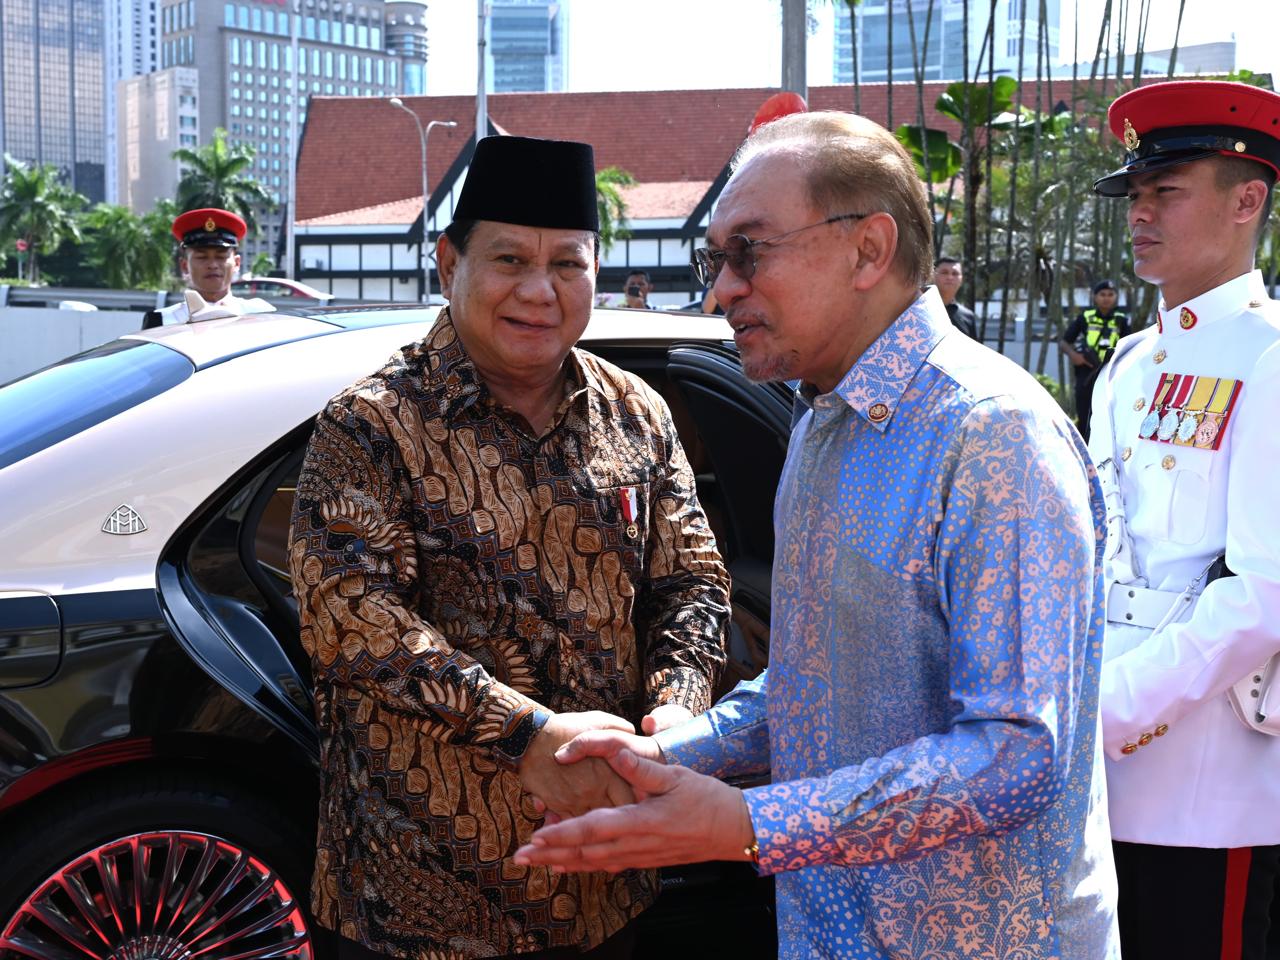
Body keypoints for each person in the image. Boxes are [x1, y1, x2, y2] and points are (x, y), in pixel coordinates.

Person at [515, 111, 1119, 959]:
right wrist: (663, 752)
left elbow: (1015, 755)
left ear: (869, 250)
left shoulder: (991, 433)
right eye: (715, 259)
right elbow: (810, 685)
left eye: (749, 252)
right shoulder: (821, 419)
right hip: (828, 928)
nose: (722, 289)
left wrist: (747, 823)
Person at [287, 135, 730, 960]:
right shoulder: (373, 424)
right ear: (450, 259)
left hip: (604, 885)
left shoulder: (636, 413)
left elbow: (691, 580)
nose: (539, 290)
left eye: (569, 262)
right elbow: (348, 620)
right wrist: (527, 734)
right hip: (420, 903)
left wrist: (675, 715)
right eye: (509, 259)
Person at [1087, 80, 1280, 960]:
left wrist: (1112, 710)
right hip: (1099, 768)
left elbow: (1262, 596)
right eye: (1136, 195)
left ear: (1249, 199)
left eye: (1167, 191)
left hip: (1210, 782)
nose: (1141, 213)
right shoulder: (1127, 363)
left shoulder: (1269, 356)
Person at [141, 207, 273, 327]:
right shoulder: (161, 320)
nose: (212, 265)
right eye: (202, 257)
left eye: (221, 257)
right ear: (185, 266)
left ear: (237, 263)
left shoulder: (261, 314)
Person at [1060, 279, 1130, 441]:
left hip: (1111, 374)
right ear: (1095, 297)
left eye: (1110, 294)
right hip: (1087, 372)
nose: (1106, 298)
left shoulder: (1122, 319)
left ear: (1116, 297)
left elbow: (1129, 346)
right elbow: (1064, 342)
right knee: (1084, 415)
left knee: (1108, 416)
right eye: (1102, 294)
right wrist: (1074, 356)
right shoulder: (1085, 317)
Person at [933, 256, 979, 339]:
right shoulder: (918, 310)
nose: (950, 277)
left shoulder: (968, 317)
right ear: (932, 276)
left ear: (961, 279)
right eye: (944, 272)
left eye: (955, 273)